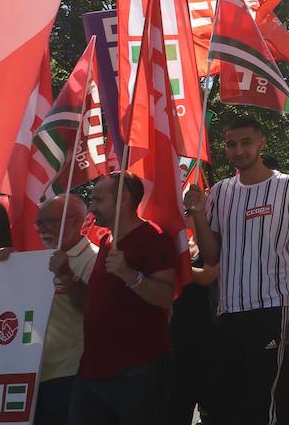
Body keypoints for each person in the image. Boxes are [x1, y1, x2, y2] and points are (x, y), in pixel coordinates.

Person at [185, 115, 289, 425]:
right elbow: (212, 255)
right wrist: (198, 213)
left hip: (273, 308)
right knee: (232, 404)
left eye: (246, 142)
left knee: (263, 403)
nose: (239, 150)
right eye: (231, 144)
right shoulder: (221, 192)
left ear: (261, 142)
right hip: (229, 312)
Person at [77, 172, 176, 424]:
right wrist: (66, 276)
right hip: (95, 371)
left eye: (99, 200)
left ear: (123, 198)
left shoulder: (152, 237)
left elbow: (166, 296)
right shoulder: (106, 240)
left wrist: (129, 275)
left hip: (136, 371)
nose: (91, 207)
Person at [0, 194, 96, 425]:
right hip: (32, 373)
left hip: (71, 373)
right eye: (38, 223)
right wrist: (5, 267)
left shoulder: (94, 260)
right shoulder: (36, 260)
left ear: (76, 221)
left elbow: (95, 311)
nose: (41, 228)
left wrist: (67, 276)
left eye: (49, 221)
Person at [168, 236, 221, 425]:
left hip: (207, 339)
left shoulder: (212, 243)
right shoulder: (178, 243)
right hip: (178, 339)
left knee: (215, 411)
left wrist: (173, 269)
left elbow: (208, 275)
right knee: (177, 409)